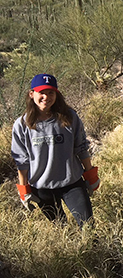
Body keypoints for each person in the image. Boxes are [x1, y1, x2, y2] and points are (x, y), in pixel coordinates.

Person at [11, 74, 99, 227]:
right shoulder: (21, 125)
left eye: (51, 92)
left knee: (88, 226)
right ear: (32, 94)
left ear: (56, 95)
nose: (46, 97)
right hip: (42, 187)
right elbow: (21, 161)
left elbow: (81, 148)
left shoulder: (69, 117)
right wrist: (24, 190)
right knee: (61, 227)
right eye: (41, 92)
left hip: (72, 183)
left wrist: (91, 175)